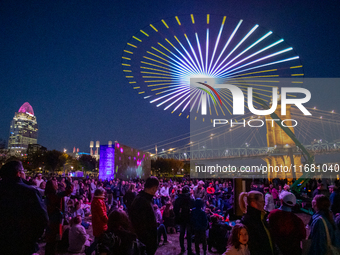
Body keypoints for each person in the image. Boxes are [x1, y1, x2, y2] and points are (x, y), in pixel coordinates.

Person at [0, 160, 48, 255]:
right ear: (18, 173)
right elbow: (43, 218)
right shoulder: (30, 192)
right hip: (24, 242)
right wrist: (33, 237)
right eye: (23, 171)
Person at [129, 176, 160, 255]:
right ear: (153, 188)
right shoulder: (143, 202)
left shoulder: (140, 199)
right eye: (156, 189)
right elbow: (142, 226)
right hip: (144, 245)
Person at [45, 178, 74, 255]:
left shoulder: (49, 195)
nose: (57, 185)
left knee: (51, 242)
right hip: (55, 221)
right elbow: (68, 191)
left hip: (52, 220)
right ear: (52, 186)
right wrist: (70, 182)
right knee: (54, 241)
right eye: (55, 184)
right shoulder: (54, 195)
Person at [239, 191, 273, 255]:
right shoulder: (249, 221)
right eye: (261, 202)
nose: (264, 204)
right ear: (253, 204)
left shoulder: (261, 218)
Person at [86, 188, 109, 255]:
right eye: (103, 193)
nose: (104, 194)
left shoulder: (94, 201)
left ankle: (94, 251)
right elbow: (102, 214)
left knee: (98, 239)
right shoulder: (99, 202)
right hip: (101, 224)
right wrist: (107, 221)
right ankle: (89, 251)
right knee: (100, 239)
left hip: (96, 223)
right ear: (99, 193)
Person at [174, 185, 195, 254]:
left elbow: (175, 209)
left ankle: (182, 249)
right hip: (188, 218)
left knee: (182, 234)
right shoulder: (190, 199)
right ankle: (189, 250)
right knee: (189, 235)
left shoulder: (178, 199)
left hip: (181, 219)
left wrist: (177, 217)